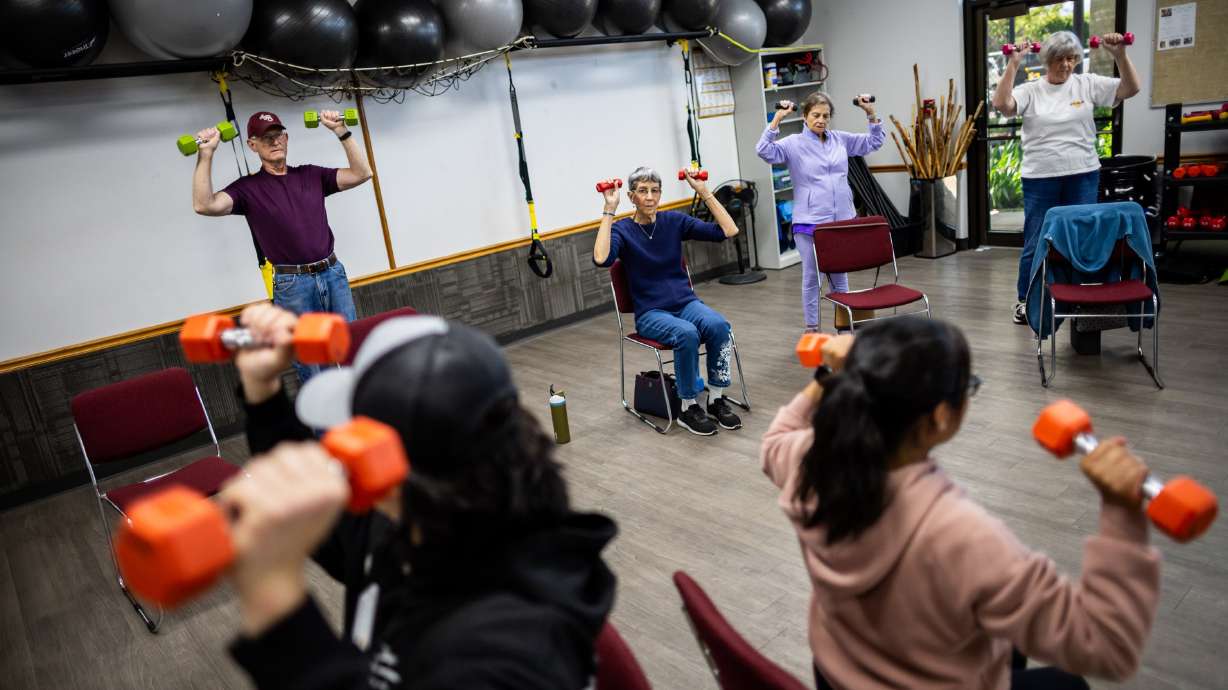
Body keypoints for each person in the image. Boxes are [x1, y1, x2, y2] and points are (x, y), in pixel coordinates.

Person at [216, 303, 617, 689]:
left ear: (388, 471)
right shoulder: (409, 524)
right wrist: (263, 390)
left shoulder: (507, 649)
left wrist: (272, 595)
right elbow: (329, 524)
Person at [760, 317, 1159, 690]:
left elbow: (776, 439)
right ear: (939, 417)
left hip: (839, 674)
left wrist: (828, 375)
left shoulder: (809, 461)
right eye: (968, 386)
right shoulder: (964, 537)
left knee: (1007, 639)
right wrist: (1122, 513)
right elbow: (1107, 646)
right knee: (1070, 685)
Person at [191, 110, 374, 381]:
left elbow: (363, 173)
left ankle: (363, 418)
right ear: (252, 145)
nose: (274, 142)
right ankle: (325, 423)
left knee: (352, 352)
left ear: (287, 139)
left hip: (333, 273)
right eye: (266, 138)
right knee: (312, 364)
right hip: (293, 285)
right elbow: (204, 204)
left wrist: (341, 131)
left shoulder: (311, 175)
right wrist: (206, 154)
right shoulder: (247, 189)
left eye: (278, 135)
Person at [991, 31, 1140, 325]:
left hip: (1082, 174)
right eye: (1061, 59)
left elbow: (1131, 89)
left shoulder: (1086, 84)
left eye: (1072, 58)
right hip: (1040, 178)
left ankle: (1080, 299)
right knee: (1036, 240)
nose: (1067, 65)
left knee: (1083, 238)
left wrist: (1120, 55)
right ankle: (1025, 300)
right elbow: (1002, 104)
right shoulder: (1032, 90)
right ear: (1048, 60)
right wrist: (1013, 64)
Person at [593, 166, 744, 436]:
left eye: (654, 191)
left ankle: (716, 398)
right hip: (651, 314)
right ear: (631, 196)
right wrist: (609, 209)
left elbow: (729, 230)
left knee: (720, 326)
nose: (650, 197)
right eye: (642, 191)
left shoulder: (674, 221)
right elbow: (602, 258)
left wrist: (703, 191)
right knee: (686, 334)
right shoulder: (623, 230)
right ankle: (687, 407)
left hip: (686, 304)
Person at [757, 92, 885, 333]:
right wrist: (777, 120)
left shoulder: (840, 140)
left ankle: (844, 327)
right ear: (805, 116)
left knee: (840, 276)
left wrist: (870, 113)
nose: (821, 120)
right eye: (816, 115)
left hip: (841, 222)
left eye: (826, 116)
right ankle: (812, 329)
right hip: (810, 222)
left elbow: (873, 142)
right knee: (811, 276)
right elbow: (764, 151)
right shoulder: (793, 143)